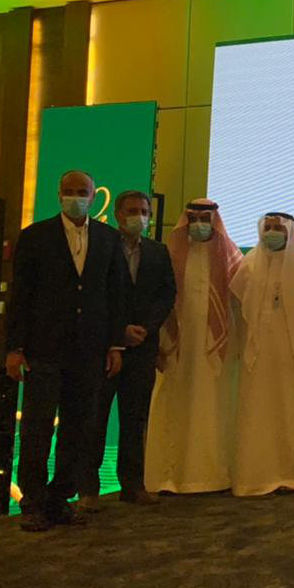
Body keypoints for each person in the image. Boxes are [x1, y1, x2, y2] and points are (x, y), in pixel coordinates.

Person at [5, 170, 127, 532]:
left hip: (89, 352)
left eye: (83, 192)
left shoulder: (108, 238)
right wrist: (15, 348)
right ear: (58, 195)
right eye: (69, 191)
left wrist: (115, 344)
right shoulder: (35, 237)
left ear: (94, 196)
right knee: (37, 429)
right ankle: (32, 502)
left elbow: (115, 295)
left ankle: (60, 499)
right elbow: (20, 297)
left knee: (79, 429)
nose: (76, 197)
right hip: (44, 349)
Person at [79, 190, 176, 511]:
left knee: (135, 419)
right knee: (96, 418)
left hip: (143, 347)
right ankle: (88, 489)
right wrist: (118, 331)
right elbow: (94, 294)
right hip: (106, 347)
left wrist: (145, 329)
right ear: (119, 215)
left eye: (145, 211)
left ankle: (132, 485)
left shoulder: (158, 252)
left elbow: (165, 295)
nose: (140, 216)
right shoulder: (101, 247)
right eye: (133, 210)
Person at [144, 199, 243, 495]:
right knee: (174, 408)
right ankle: (169, 477)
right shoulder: (169, 255)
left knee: (213, 409)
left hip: (217, 353)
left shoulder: (231, 256)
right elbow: (160, 301)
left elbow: (240, 305)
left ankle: (213, 476)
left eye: (205, 218)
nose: (200, 224)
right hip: (177, 348)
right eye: (194, 218)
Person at [229, 212, 294, 497]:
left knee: (289, 411)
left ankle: (290, 475)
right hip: (256, 353)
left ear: (290, 231)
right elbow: (236, 309)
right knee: (255, 412)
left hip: (292, 353)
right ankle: (253, 475)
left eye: (278, 228)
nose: (272, 232)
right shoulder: (249, 264)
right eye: (267, 227)